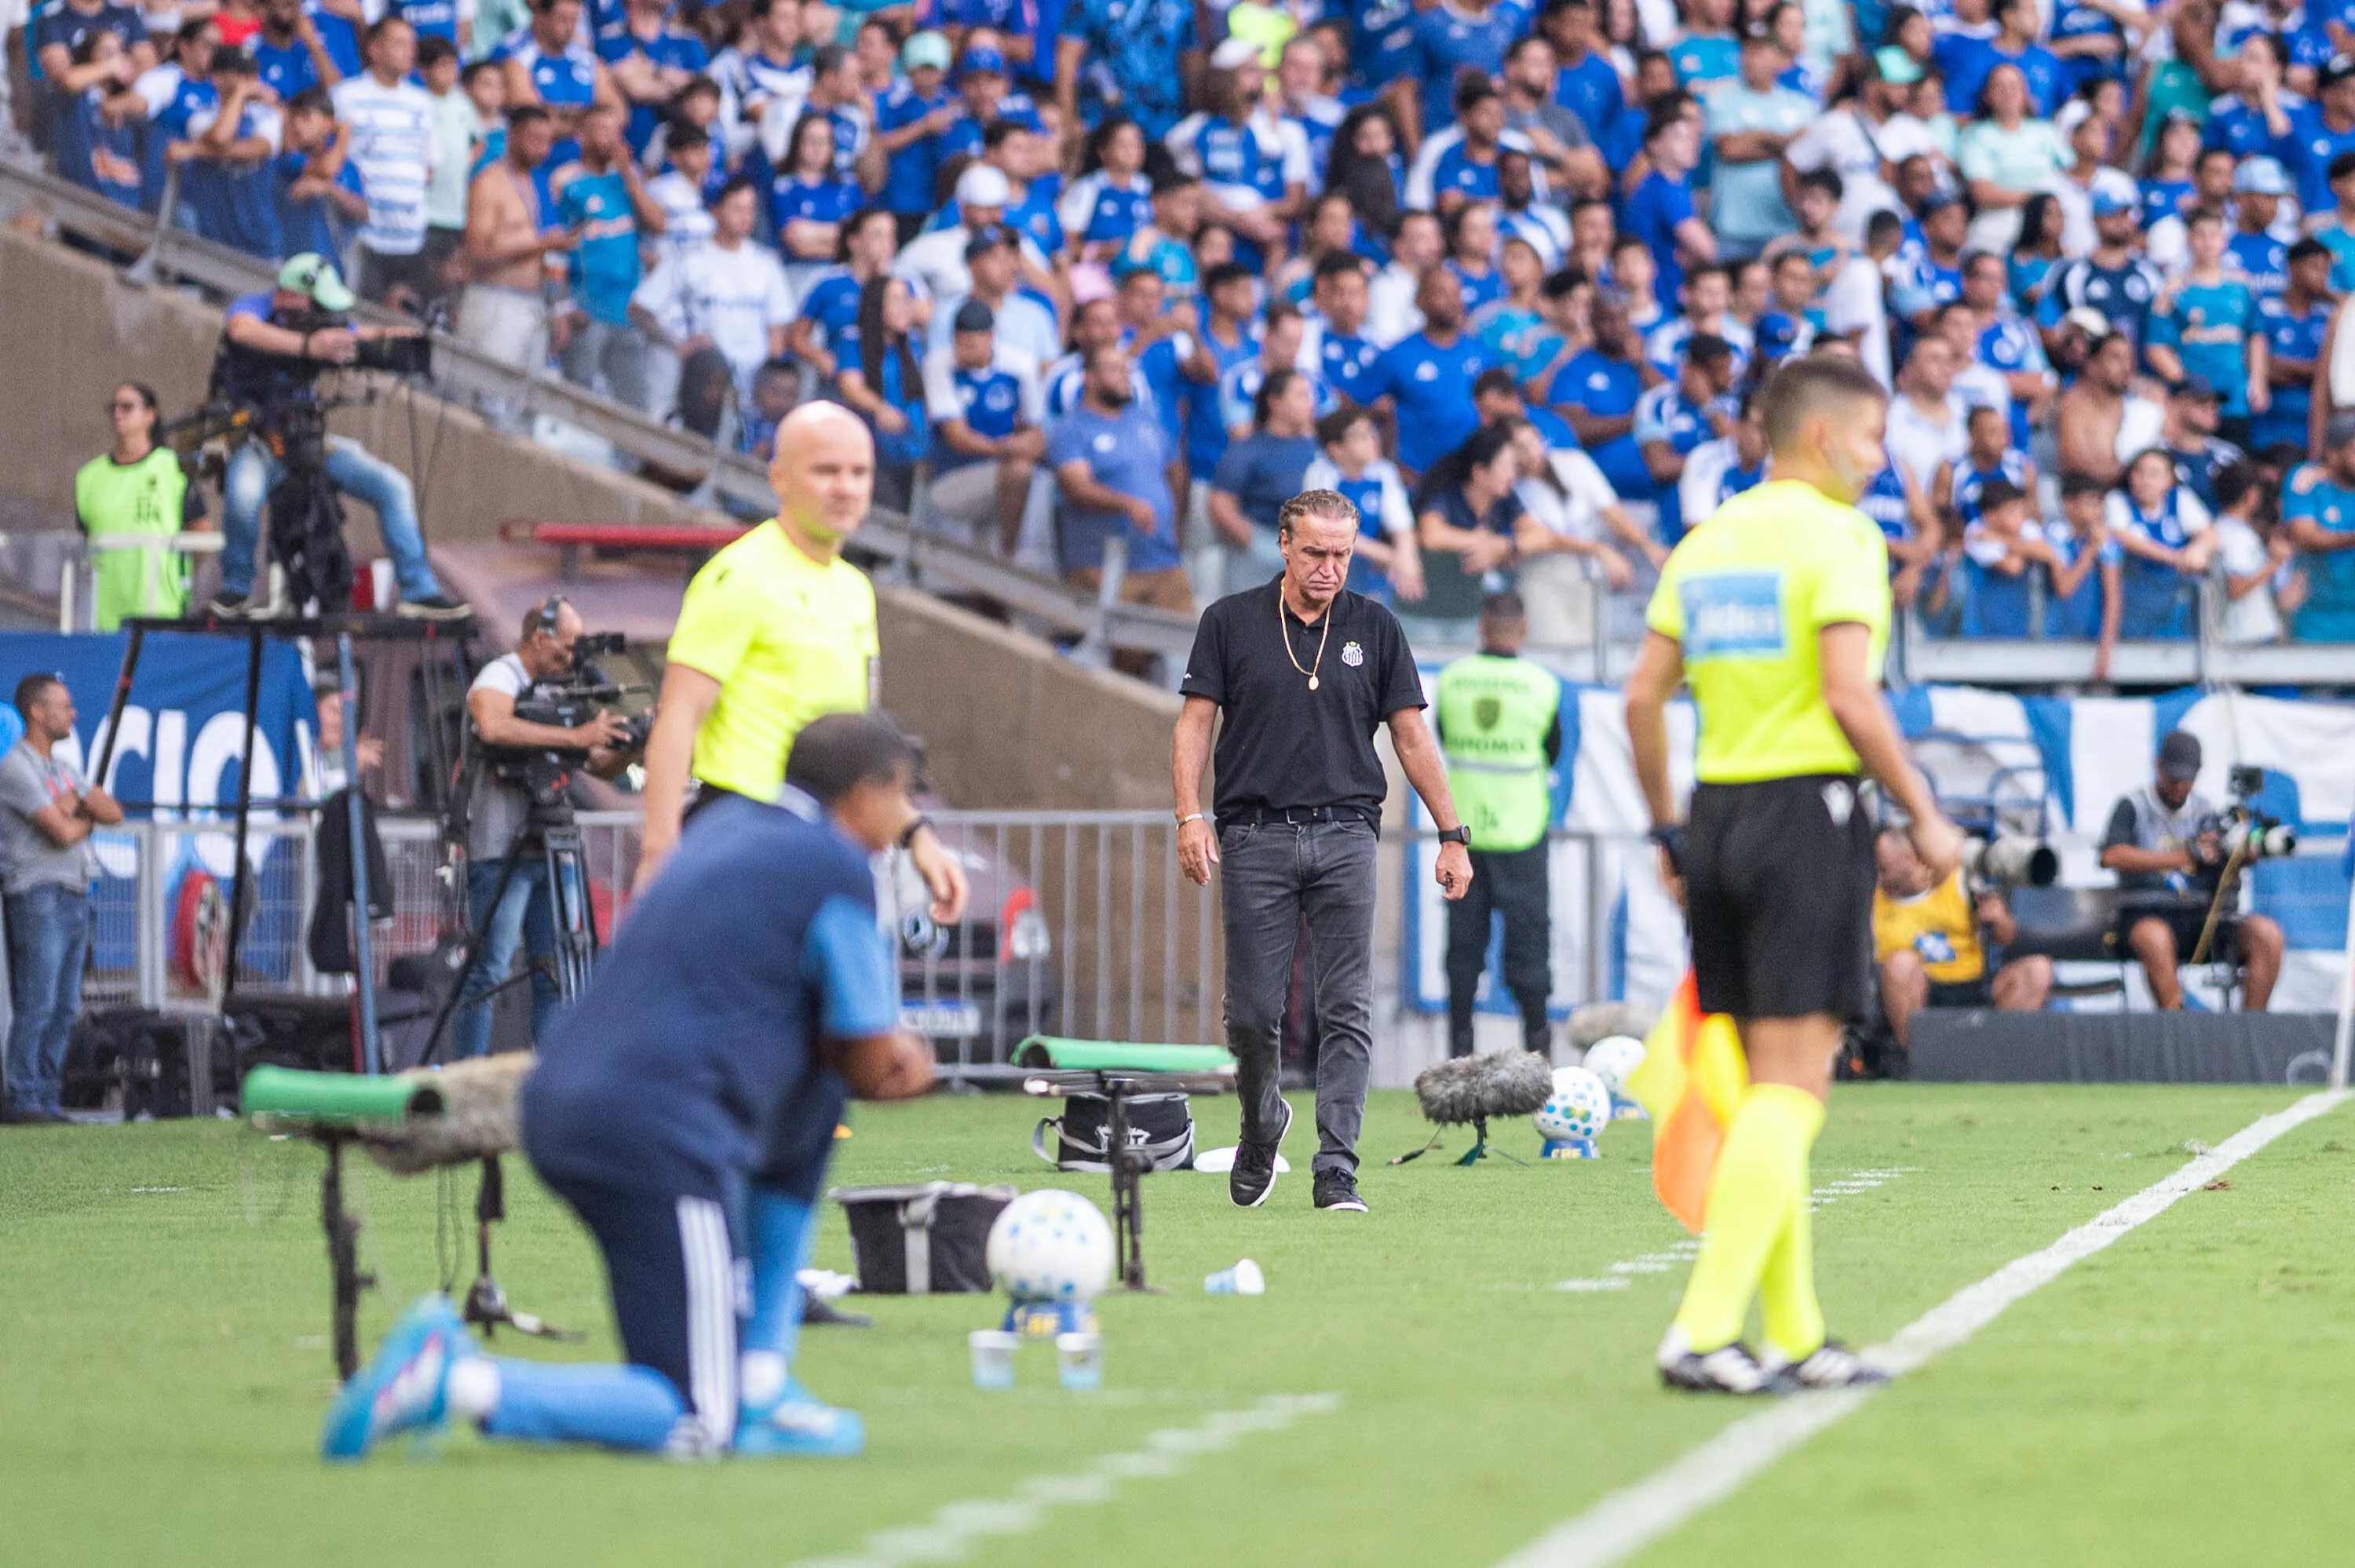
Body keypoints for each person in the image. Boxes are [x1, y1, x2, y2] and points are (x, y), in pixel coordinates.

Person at [322, 714, 936, 1461]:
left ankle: (762, 1380)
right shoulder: (832, 867)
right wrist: (905, 1058)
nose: (906, 819)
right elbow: (871, 1057)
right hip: (665, 1131)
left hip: (562, 1102)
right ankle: (456, 1382)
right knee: (702, 1422)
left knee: (812, 1100)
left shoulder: (725, 825)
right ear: (868, 793)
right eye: (903, 796)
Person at [1624, 355, 1966, 1395]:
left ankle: (1798, 1335)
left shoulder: (1708, 538)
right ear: (1822, 436)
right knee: (1793, 1089)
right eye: (1871, 440)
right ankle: (1704, 1327)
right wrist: (1927, 813)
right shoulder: (1841, 536)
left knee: (1769, 1085)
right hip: (1807, 811)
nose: (1879, 460)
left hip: (1718, 815)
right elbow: (1851, 695)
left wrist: (1668, 834)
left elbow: (1643, 701)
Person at [1174, 488, 1475, 1216]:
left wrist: (1451, 834)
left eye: (1341, 555)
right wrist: (1190, 815)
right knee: (1251, 1012)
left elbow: (1410, 738)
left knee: (1348, 1007)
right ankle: (1259, 1124)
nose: (1329, 569)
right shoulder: (1230, 622)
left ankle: (1336, 1166)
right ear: (1283, 544)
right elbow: (1193, 726)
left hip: (1346, 834)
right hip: (1254, 835)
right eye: (1314, 553)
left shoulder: (1375, 626)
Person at [633, 402, 966, 930]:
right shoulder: (741, 575)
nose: (845, 487)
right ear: (779, 478)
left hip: (828, 835)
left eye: (859, 472)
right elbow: (678, 717)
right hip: (744, 831)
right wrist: (659, 853)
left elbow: (857, 741)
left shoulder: (853, 589)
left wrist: (916, 834)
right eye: (826, 470)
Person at [205, 253, 467, 620]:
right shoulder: (254, 309)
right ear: (292, 297)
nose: (324, 314)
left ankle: (420, 591)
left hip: (310, 443)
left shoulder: (318, 325)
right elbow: (242, 331)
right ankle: (235, 588)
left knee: (392, 486)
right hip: (260, 442)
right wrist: (307, 348)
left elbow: (359, 335)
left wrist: (410, 336)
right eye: (319, 304)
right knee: (243, 495)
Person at [449, 597, 640, 1062]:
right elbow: (493, 725)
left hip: (553, 843)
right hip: (500, 847)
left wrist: (632, 745)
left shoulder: (561, 689)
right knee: (489, 970)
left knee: (557, 969)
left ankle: (553, 1077)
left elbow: (599, 766)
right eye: (567, 646)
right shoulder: (502, 674)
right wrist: (577, 737)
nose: (572, 658)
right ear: (539, 639)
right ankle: (464, 1079)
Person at [1436, 592, 1562, 1059]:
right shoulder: (1542, 686)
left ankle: (1459, 1055)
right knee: (1530, 949)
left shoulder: (1453, 681)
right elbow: (1552, 752)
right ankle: (1539, 1053)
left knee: (1463, 952)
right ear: (1523, 628)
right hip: (1522, 833)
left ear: (1481, 627)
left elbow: (1446, 740)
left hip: (1463, 837)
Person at [2, 675, 122, 1123]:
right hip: (38, 894)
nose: (73, 714)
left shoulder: (64, 769)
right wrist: (79, 814)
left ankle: (48, 1098)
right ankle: (23, 1098)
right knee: (38, 1002)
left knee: (66, 1005)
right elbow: (62, 830)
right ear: (37, 711)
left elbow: (114, 809)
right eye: (64, 706)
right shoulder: (17, 767)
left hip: (73, 893)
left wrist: (79, 807)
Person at [2098, 730, 2284, 1012]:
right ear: (2158, 766)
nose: (2179, 787)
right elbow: (2111, 856)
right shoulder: (2132, 806)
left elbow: (2222, 869)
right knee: (2154, 938)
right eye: (2173, 778)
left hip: (2203, 918)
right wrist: (2181, 857)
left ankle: (2250, 1030)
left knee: (2267, 935)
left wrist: (2240, 856)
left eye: (2187, 779)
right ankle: (2178, 1027)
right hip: (2147, 913)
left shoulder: (2208, 812)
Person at [1872, 826, 2052, 1059]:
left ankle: (1996, 1061)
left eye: (1884, 869)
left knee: (2038, 969)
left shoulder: (1960, 881)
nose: (1878, 876)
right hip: (1917, 994)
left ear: (1909, 859)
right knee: (1900, 964)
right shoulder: (1872, 900)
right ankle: (1917, 1060)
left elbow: (2005, 937)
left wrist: (1997, 918)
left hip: (1972, 984)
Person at [75, 382, 210, 629]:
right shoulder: (89, 476)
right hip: (103, 617)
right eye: (113, 407)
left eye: (127, 407)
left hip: (160, 613)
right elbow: (82, 543)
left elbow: (201, 530)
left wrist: (179, 577)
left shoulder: (173, 468)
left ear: (150, 415)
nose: (118, 414)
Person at [921, 297, 1046, 556]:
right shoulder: (940, 363)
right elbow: (957, 437)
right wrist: (1007, 448)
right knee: (1019, 471)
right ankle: (1008, 555)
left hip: (997, 470)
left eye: (971, 345)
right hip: (952, 475)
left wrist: (1018, 446)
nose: (963, 351)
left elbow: (1035, 433)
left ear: (991, 336)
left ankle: (1006, 558)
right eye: (959, 343)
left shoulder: (1019, 366)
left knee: (1028, 471)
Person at [332, 18, 439, 308]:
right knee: (355, 320)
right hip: (363, 238)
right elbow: (334, 161)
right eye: (399, 43)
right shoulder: (346, 96)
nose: (410, 51)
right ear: (375, 49)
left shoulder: (422, 102)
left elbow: (429, 167)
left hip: (412, 239)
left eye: (412, 44)